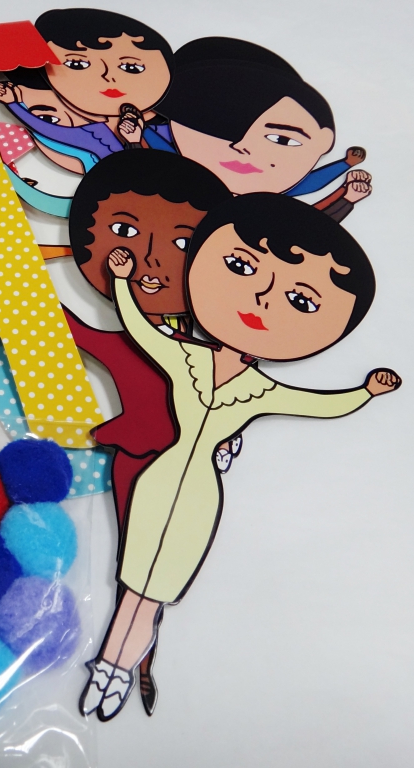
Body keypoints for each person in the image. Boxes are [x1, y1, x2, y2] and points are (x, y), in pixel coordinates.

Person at [80, 192, 401, 721]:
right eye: (241, 268)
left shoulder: (262, 389)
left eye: (301, 302)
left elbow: (319, 404)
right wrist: (121, 281)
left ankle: (116, 672)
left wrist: (366, 392)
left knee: (154, 597)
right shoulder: (185, 357)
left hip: (199, 498)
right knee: (133, 586)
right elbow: (139, 328)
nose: (262, 301)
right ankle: (108, 669)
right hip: (157, 481)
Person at [66, 149, 233, 713]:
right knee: (136, 567)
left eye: (185, 243)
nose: (153, 259)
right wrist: (7, 283)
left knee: (156, 572)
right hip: (138, 462)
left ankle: (133, 661)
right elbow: (78, 332)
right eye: (123, 232)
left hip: (191, 471)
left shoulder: (210, 353)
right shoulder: (131, 340)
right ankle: (132, 663)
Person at [155, 37, 372, 212]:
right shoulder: (167, 170)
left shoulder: (268, 207)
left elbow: (310, 196)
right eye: (216, 128)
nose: (241, 146)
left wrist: (346, 186)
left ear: (324, 141)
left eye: (282, 139)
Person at [0, 9, 174, 173]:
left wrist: (134, 140)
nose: (108, 76)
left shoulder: (168, 128)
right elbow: (51, 130)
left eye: (131, 67)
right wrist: (14, 104)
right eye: (77, 64)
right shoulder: (93, 132)